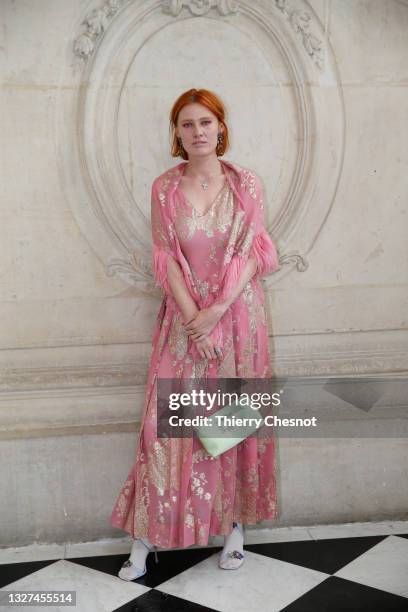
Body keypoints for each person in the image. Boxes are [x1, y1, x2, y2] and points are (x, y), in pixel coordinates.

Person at [110, 88, 280, 580]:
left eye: (206, 122)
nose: (198, 131)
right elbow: (164, 259)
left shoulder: (247, 183)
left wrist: (218, 311)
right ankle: (146, 541)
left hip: (240, 320)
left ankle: (234, 532)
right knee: (166, 429)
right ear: (177, 134)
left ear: (220, 127)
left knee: (230, 425)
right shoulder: (164, 188)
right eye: (187, 124)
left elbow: (256, 254)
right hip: (183, 322)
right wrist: (195, 321)